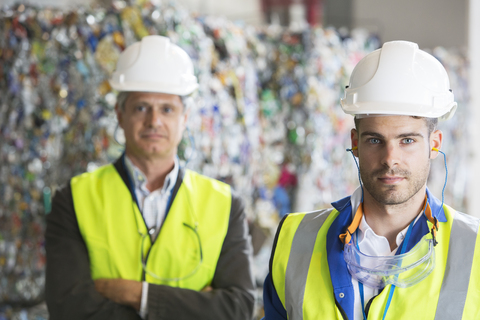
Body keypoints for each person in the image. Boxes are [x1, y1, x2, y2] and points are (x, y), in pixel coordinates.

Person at [262, 40, 480, 319]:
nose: (390, 158)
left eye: (408, 140)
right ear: (355, 142)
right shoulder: (296, 238)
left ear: (434, 144)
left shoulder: (474, 246)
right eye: (375, 139)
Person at [45, 35, 255, 320]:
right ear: (120, 114)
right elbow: (69, 306)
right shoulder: (74, 199)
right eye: (141, 107)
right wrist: (195, 308)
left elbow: (238, 308)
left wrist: (137, 295)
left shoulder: (225, 205)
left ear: (185, 117)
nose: (154, 121)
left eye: (167, 109)